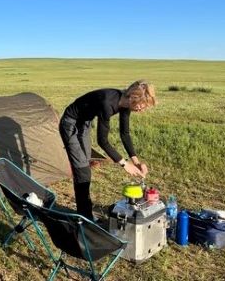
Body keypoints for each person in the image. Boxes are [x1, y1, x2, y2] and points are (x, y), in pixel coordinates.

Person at [59, 80, 157, 220]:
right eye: (142, 104)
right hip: (70, 124)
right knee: (82, 170)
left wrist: (135, 161)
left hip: (84, 124)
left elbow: (125, 134)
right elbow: (102, 141)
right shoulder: (107, 103)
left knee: (84, 165)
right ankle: (85, 217)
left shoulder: (125, 104)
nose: (143, 108)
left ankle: (84, 210)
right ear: (133, 98)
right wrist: (124, 163)